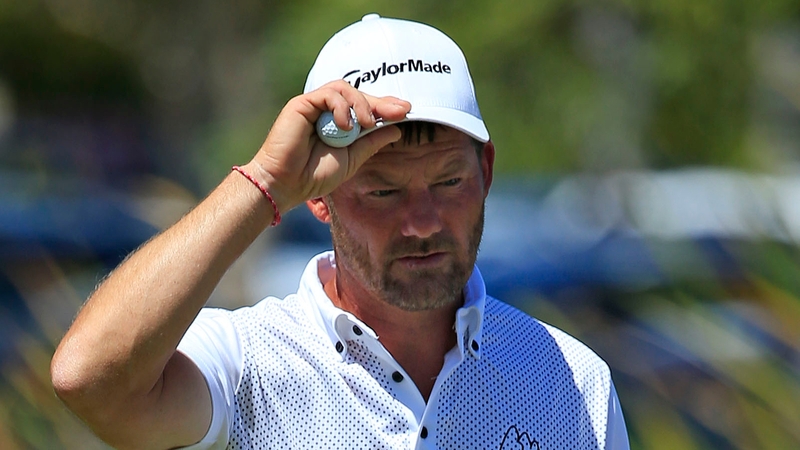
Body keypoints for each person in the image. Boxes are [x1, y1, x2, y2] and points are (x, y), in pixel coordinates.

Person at [51, 13, 629, 450]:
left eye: (450, 181)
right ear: (319, 201)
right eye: (383, 191)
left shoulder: (570, 380)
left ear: (487, 172)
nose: (423, 221)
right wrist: (263, 185)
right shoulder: (249, 360)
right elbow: (89, 380)